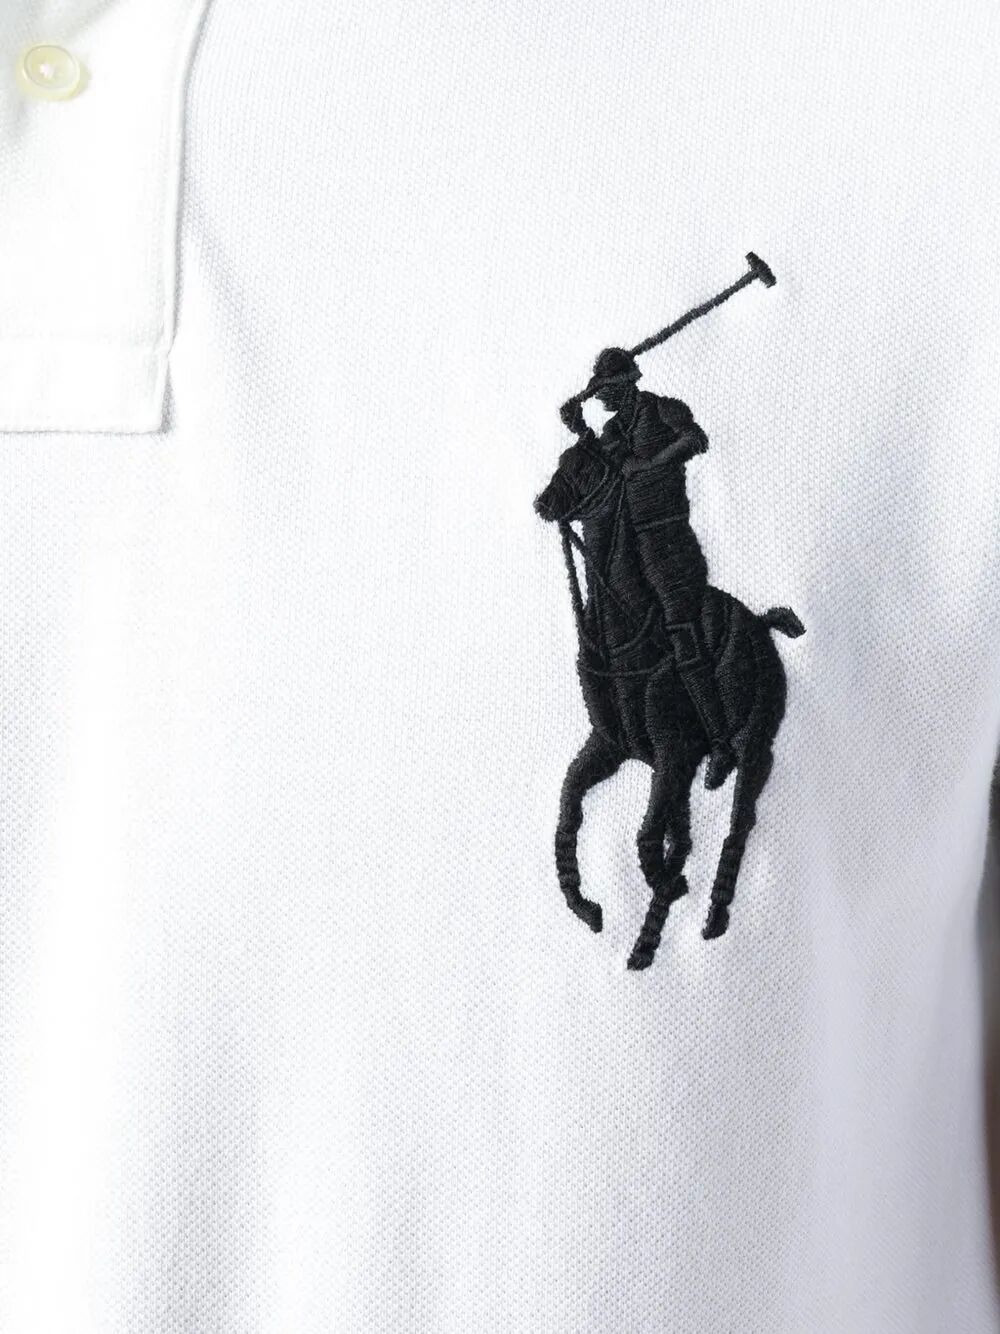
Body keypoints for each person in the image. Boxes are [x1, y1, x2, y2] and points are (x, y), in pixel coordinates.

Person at [561, 346, 737, 789]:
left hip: (669, 542)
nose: (601, 399)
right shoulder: (613, 431)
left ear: (626, 384)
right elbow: (603, 468)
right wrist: (580, 430)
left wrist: (649, 465)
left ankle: (720, 742)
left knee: (682, 633)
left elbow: (695, 439)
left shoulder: (663, 410)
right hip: (630, 547)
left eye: (606, 391)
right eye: (598, 393)